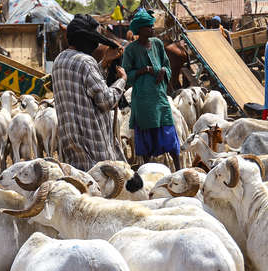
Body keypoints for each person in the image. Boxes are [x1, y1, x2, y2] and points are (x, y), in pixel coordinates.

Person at [52, 14, 127, 171]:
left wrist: (105, 62)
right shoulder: (86, 62)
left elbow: (84, 83)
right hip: (95, 149)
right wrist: (122, 81)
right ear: (87, 40)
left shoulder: (59, 61)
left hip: (72, 149)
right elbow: (106, 101)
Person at [122, 9, 181, 170]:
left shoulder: (157, 44)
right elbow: (126, 74)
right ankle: (147, 169)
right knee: (146, 134)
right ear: (139, 30)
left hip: (159, 96)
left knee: (168, 129)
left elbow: (167, 65)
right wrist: (143, 70)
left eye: (151, 26)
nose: (152, 29)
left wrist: (163, 70)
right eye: (148, 27)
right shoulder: (131, 49)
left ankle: (179, 168)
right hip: (142, 99)